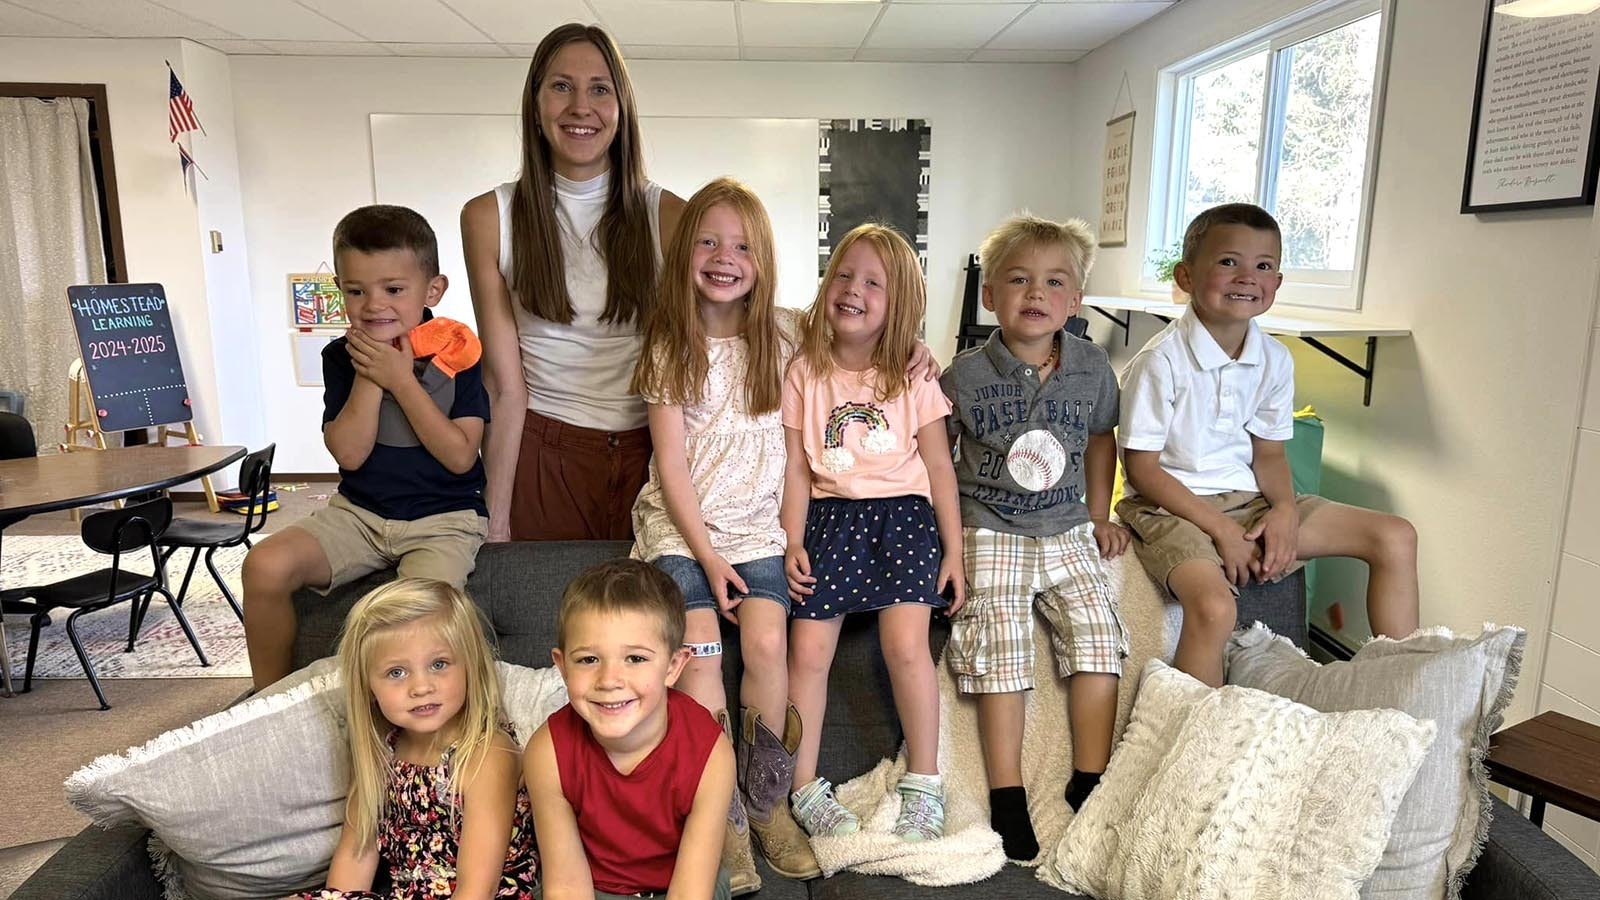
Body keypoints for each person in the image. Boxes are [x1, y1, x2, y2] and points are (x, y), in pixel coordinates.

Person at [1118, 202, 1419, 688]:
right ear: (1187, 276)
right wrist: (1221, 531)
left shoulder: (1275, 359)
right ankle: (1194, 737)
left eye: (1263, 266)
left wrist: (1281, 509)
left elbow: (1271, 454)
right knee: (1215, 607)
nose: (1246, 277)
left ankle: (1402, 698)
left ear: (1276, 284)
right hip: (1170, 508)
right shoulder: (1160, 362)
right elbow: (1143, 472)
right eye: (1227, 261)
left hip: (1251, 502)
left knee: (1395, 535)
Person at [628, 177, 818, 886]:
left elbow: (872, 340)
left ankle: (765, 803)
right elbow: (671, 465)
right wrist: (704, 558)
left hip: (759, 527)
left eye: (741, 244)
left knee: (769, 640)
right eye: (708, 240)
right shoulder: (668, 344)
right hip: (684, 530)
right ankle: (720, 817)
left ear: (762, 260)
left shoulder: (791, 334)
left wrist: (920, 356)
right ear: (685, 254)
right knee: (703, 656)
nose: (723, 255)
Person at [940, 214, 1130, 860]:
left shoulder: (1092, 367)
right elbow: (936, 459)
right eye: (1018, 280)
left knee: (1099, 636)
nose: (1036, 294)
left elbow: (1102, 436)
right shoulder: (962, 375)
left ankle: (1089, 777)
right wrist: (946, 541)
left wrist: (1101, 513)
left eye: (1054, 282)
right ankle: (1007, 794)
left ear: (1075, 300)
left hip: (1067, 522)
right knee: (1000, 648)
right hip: (989, 525)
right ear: (990, 294)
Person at [243, 206, 489, 691]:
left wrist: (402, 379)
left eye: (394, 290)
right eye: (357, 291)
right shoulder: (340, 356)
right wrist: (372, 377)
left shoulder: (459, 351)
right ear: (341, 290)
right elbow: (350, 454)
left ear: (432, 291)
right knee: (263, 565)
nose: (374, 304)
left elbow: (461, 456)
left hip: (444, 520)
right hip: (358, 513)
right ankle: (267, 704)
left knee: (410, 620)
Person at [462, 23, 683, 543]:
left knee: (651, 620)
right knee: (546, 613)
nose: (580, 106)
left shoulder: (670, 215)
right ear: (535, 104)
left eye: (600, 89)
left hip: (654, 450)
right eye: (561, 86)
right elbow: (501, 383)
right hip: (543, 451)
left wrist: (891, 353)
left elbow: (733, 332)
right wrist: (495, 517)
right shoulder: (488, 217)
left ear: (621, 108)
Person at [780, 224, 965, 843]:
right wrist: (792, 537)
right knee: (806, 653)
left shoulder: (913, 375)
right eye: (844, 275)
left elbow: (940, 468)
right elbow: (795, 468)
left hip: (905, 519)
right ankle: (804, 788)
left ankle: (924, 784)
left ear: (899, 306)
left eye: (873, 283)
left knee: (906, 647)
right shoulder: (803, 370)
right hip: (830, 521)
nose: (853, 289)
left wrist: (955, 553)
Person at [299, 578, 536, 900]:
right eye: (397, 672)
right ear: (367, 686)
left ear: (471, 667)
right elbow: (355, 855)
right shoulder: (382, 752)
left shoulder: (487, 753)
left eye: (439, 665)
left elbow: (479, 887)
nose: (421, 687)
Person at [523, 559, 735, 900]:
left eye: (635, 658)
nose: (609, 681)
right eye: (588, 660)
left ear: (673, 666)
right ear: (562, 667)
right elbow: (566, 886)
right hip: (592, 888)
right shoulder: (546, 752)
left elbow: (690, 893)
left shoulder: (711, 753)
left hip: (680, 884)